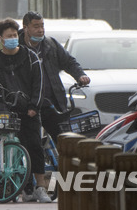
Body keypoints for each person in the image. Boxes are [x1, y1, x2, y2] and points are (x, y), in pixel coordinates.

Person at [0, 18, 50, 203]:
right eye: (8, 36)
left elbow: (39, 84)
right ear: (0, 39)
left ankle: (40, 187)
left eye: (14, 35)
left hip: (29, 110)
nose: (12, 38)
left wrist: (34, 106)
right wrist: (1, 99)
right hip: (7, 110)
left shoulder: (30, 57)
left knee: (34, 145)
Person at [20, 12, 90, 144]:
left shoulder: (50, 45)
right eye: (36, 26)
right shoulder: (17, 49)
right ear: (25, 28)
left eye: (42, 26)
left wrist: (81, 75)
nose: (40, 30)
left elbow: (69, 62)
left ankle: (61, 164)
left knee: (63, 141)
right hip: (29, 106)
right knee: (31, 143)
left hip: (53, 104)